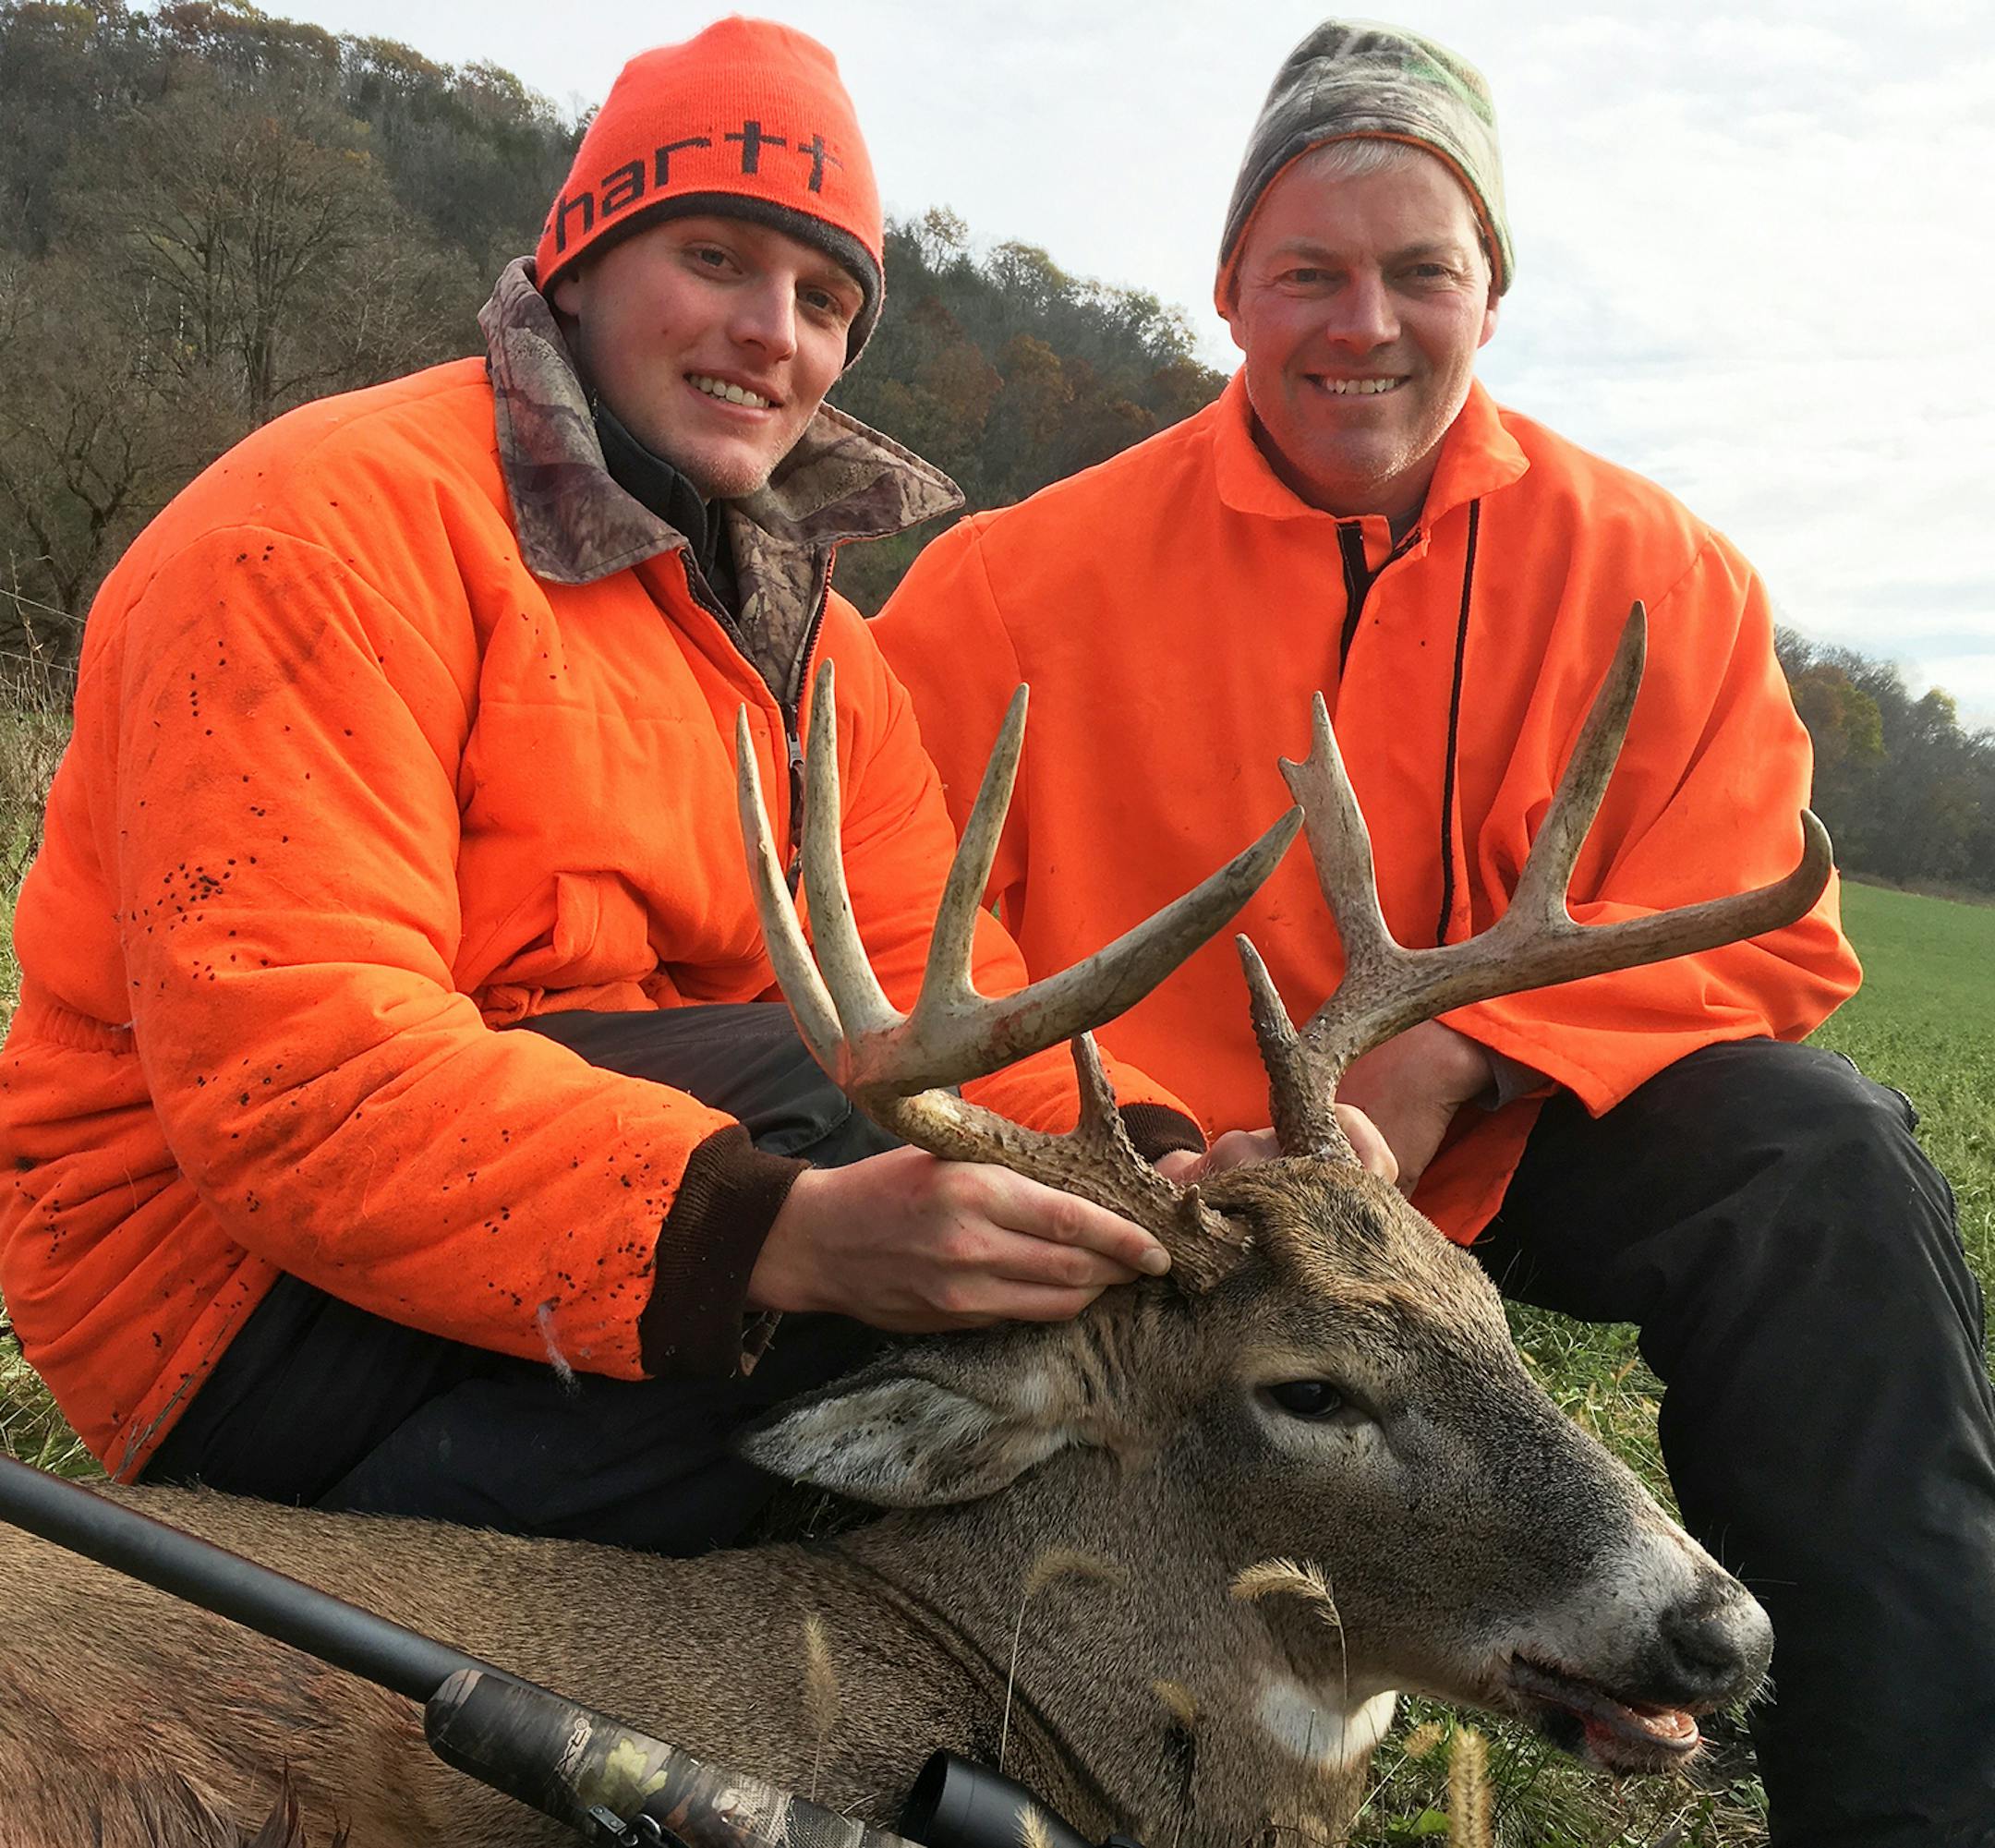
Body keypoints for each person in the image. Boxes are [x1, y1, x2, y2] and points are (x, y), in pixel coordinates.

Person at [0, 18, 1346, 1556]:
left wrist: (1171, 1172)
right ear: (576, 264)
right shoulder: (316, 535)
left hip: (576, 1195)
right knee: (862, 1180)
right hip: (215, 1298)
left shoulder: (819, 647)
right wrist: (787, 1239)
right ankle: (371, 1561)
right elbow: (294, 1082)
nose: (774, 331)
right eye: (715, 258)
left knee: (956, 1180)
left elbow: (934, 992)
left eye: (825, 299)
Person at [872, 21, 1995, 1844]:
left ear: (1494, 290)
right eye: (1308, 270)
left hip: (1498, 1148)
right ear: (1232, 286)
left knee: (1827, 1171)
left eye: (1422, 271)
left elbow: (1762, 909)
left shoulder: (1657, 576)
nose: (1362, 325)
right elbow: (903, 899)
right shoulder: (1013, 582)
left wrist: (1477, 1050)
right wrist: (1149, 1146)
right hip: (1160, 1192)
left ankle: (1911, 1795)